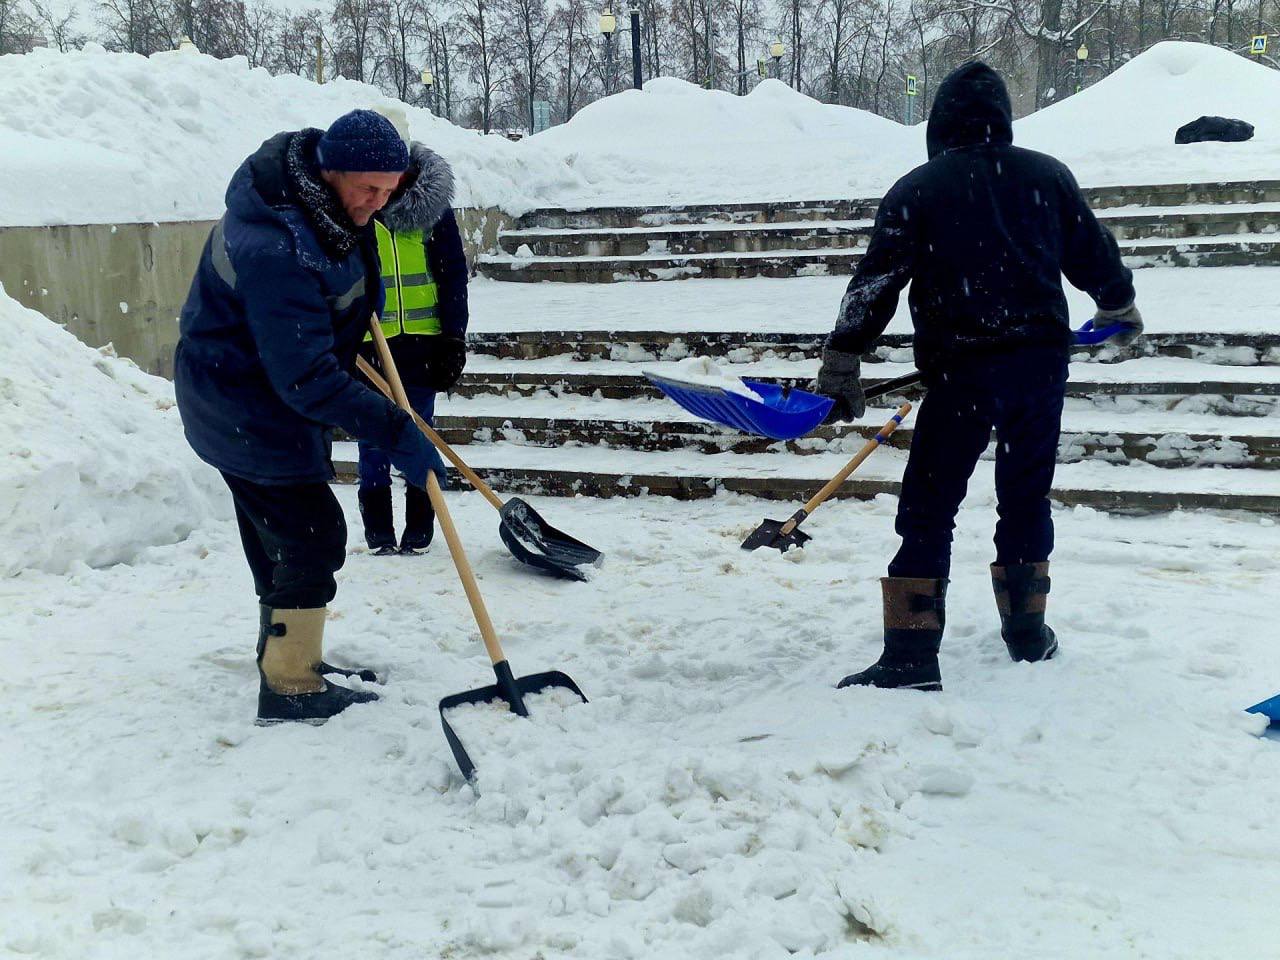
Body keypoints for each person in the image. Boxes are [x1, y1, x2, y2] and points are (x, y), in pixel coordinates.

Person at [814, 62, 1141, 692]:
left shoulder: (919, 188)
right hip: (1038, 370)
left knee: (930, 507)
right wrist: (1118, 304)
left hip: (961, 372)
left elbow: (877, 283)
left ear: (939, 125)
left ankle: (910, 656)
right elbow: (1092, 251)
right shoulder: (1046, 176)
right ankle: (1027, 633)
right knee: (1025, 495)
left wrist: (843, 358)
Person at [174, 109, 447, 724]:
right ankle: (291, 684)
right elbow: (303, 375)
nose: (377, 204)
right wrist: (395, 429)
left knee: (280, 539)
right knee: (311, 534)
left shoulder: (319, 212)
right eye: (367, 188)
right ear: (329, 172)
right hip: (243, 403)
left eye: (389, 190)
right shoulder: (274, 242)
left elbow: (321, 324)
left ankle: (289, 655)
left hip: (252, 394)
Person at [357, 106, 469, 555]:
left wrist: (454, 338)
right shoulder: (354, 209)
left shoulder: (430, 208)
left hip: (424, 344)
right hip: (368, 346)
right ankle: (379, 529)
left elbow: (452, 275)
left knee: (420, 435)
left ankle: (420, 524)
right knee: (371, 440)